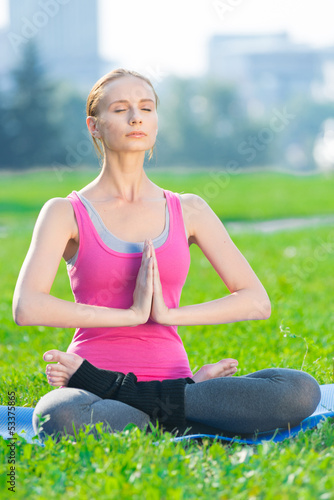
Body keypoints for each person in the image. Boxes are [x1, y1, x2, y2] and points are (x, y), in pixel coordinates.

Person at [13, 68, 321, 442]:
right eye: (120, 109)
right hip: (92, 391)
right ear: (94, 126)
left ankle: (150, 406)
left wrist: (169, 314)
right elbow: (27, 307)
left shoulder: (188, 209)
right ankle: (176, 413)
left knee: (300, 389)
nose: (135, 117)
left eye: (146, 107)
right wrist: (129, 315)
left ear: (156, 122)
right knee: (56, 414)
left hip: (170, 382)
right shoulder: (65, 212)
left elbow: (256, 302)